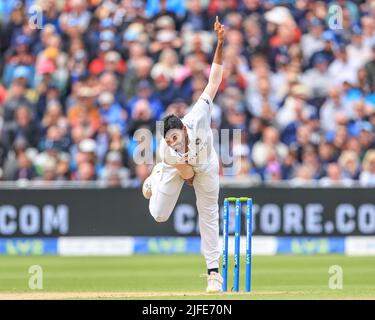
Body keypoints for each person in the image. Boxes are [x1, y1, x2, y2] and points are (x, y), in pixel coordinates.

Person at [142, 16, 224, 293]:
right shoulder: (168, 152)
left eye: (175, 137)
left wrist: (220, 44)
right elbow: (188, 178)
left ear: (183, 129)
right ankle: (154, 178)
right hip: (182, 170)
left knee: (209, 214)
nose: (173, 143)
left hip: (207, 164)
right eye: (168, 140)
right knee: (159, 216)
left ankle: (213, 273)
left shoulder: (198, 115)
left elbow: (213, 80)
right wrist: (182, 165)